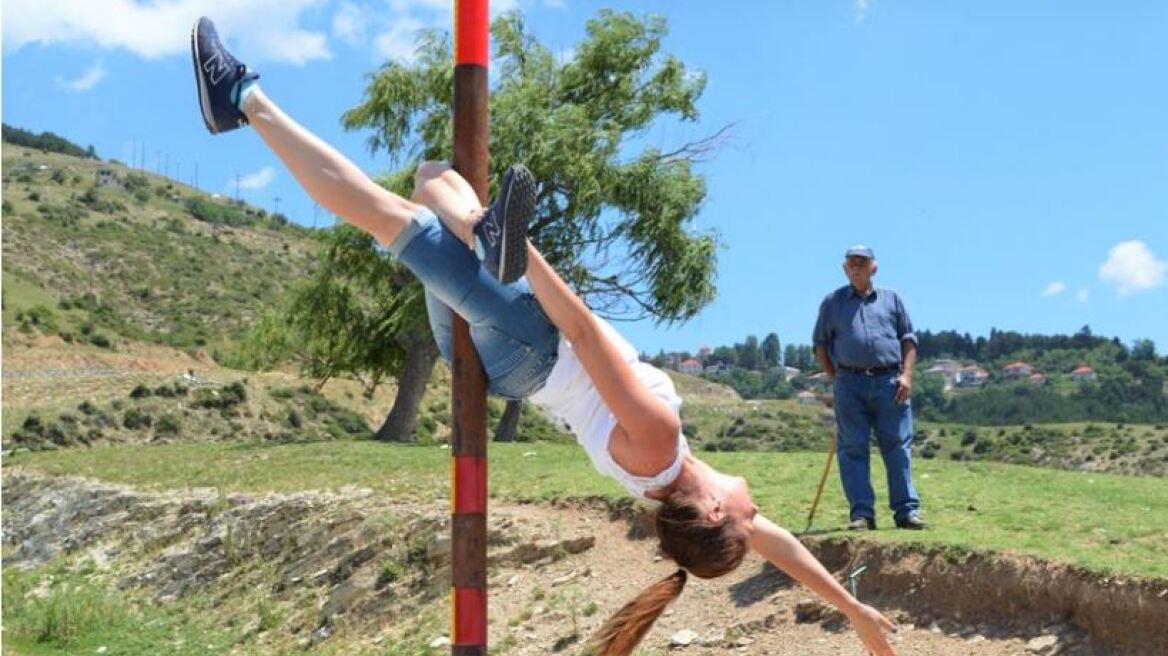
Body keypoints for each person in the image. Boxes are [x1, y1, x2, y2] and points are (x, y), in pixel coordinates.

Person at [191, 18, 899, 656]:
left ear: (714, 511)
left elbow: (585, 334)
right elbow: (780, 549)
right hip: (508, 361)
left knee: (389, 217)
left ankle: (244, 99)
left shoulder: (658, 437)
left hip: (529, 341)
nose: (757, 508)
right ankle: (474, 225)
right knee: (432, 181)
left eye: (746, 518)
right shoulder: (664, 482)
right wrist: (854, 609)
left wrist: (522, 252)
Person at [813, 245, 926, 531]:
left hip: (891, 381)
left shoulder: (893, 299)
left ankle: (907, 512)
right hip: (849, 384)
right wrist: (835, 377)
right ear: (844, 268)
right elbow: (820, 345)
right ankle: (862, 514)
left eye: (861, 263)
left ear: (873, 267)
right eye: (851, 263)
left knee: (898, 446)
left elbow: (908, 340)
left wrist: (908, 376)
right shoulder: (832, 303)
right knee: (852, 449)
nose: (856, 268)